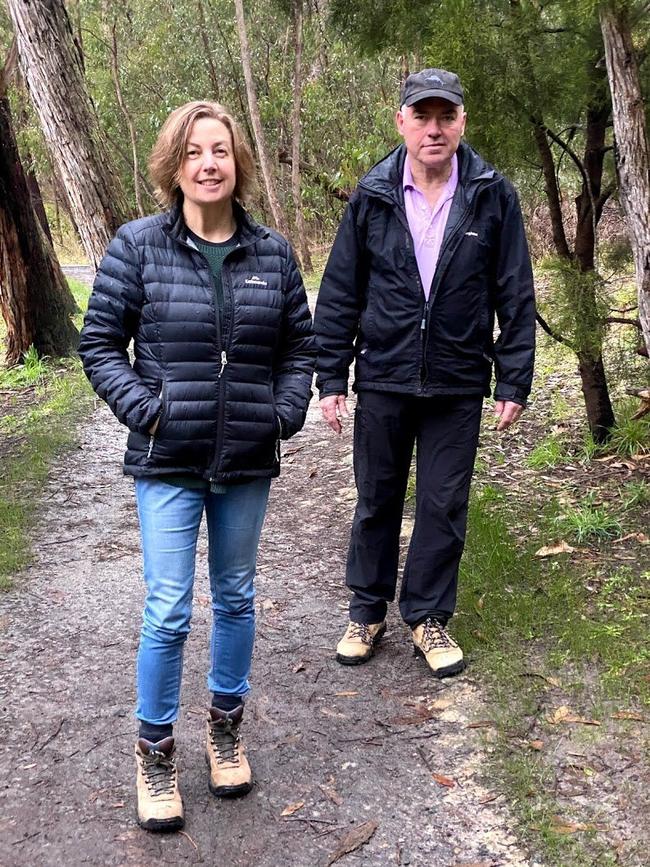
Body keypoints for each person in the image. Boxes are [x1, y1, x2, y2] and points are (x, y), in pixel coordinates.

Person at [78, 101, 315, 832]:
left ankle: (225, 727)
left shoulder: (272, 253)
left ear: (237, 163)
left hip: (246, 458)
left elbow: (300, 348)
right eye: (194, 151)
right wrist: (148, 411)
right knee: (169, 606)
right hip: (167, 459)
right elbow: (98, 344)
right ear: (173, 165)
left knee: (238, 595)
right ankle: (154, 750)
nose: (209, 163)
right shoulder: (137, 246)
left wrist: (282, 413)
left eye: (220, 150)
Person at [314, 68, 535, 679]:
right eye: (422, 115)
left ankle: (428, 616)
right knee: (375, 500)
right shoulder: (372, 195)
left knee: (443, 504)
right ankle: (366, 610)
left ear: (462, 122)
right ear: (402, 121)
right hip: (384, 375)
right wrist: (331, 377)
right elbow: (339, 292)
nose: (434, 128)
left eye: (446, 116)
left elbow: (515, 292)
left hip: (457, 380)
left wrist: (513, 378)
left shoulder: (492, 195)